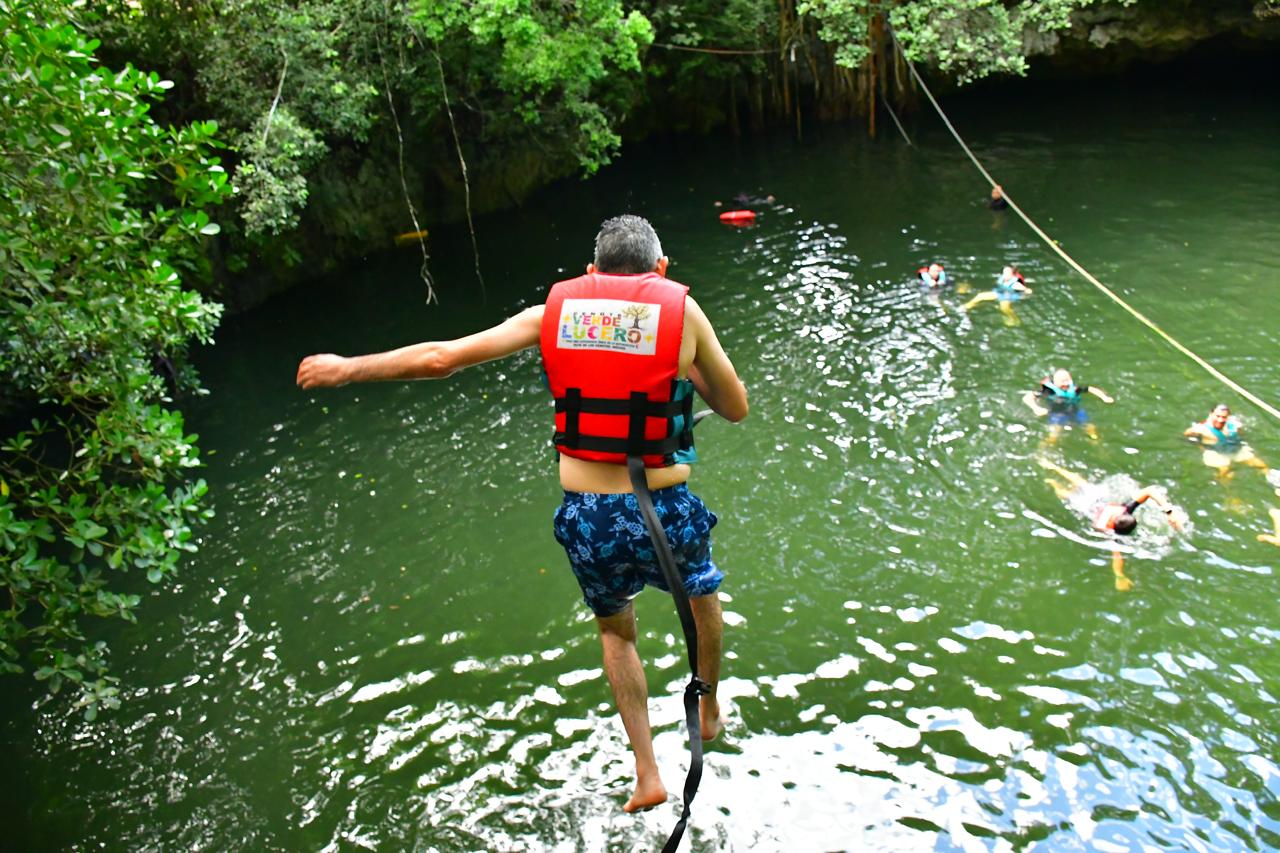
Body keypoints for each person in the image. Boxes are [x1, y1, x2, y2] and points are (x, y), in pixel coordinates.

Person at [296, 215, 750, 814]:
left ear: (591, 273)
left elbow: (441, 358)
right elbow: (735, 407)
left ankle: (647, 772)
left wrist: (347, 368)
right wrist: (683, 369)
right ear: (660, 270)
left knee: (617, 633)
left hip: (589, 517)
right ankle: (708, 706)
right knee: (702, 596)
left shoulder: (551, 316)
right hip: (665, 507)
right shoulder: (683, 314)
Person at [1038, 457, 1183, 591]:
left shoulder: (1124, 508)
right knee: (1066, 494)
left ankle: (1053, 467)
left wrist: (1169, 511)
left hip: (1096, 499)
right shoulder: (1112, 533)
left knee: (1080, 482)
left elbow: (1150, 490)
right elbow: (1117, 556)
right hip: (1085, 506)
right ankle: (1054, 484)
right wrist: (1119, 577)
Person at [1183, 404, 1280, 495]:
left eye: (1224, 417)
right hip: (1215, 452)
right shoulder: (1201, 429)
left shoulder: (1233, 426)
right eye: (1217, 416)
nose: (1220, 420)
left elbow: (1240, 436)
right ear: (1211, 415)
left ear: (1228, 417)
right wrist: (1200, 446)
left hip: (1234, 449)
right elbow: (1186, 435)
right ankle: (1231, 496)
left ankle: (1275, 484)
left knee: (1261, 465)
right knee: (1226, 472)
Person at [1022, 368, 1114, 442]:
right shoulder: (1049, 391)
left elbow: (1091, 389)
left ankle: (1096, 442)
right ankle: (1042, 452)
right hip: (1057, 413)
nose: (1066, 384)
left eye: (1068, 380)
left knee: (1090, 427)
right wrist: (1036, 408)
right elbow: (1027, 397)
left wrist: (1104, 397)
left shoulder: (1074, 389)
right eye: (1062, 381)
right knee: (1054, 436)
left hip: (1075, 411)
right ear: (1055, 382)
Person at [962, 264, 1032, 324]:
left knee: (1004, 308)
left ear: (1012, 275)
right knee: (980, 296)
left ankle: (1014, 319)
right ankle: (967, 306)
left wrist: (1026, 292)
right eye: (1004, 273)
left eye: (1007, 273)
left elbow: (1027, 290)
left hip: (1009, 296)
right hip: (1000, 292)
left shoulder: (1015, 284)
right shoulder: (1003, 278)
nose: (1005, 275)